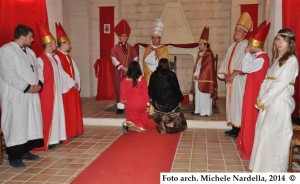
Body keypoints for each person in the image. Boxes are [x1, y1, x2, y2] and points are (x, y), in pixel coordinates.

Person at [249, 28, 298, 172]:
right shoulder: (276, 60)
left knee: (273, 137)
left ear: (290, 43)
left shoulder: (292, 60)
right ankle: (262, 169)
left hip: (279, 102)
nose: (280, 43)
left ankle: (274, 171)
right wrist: (261, 98)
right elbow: (266, 81)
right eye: (278, 39)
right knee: (263, 134)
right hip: (268, 101)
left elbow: (280, 84)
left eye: (284, 40)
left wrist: (264, 100)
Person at [0, 24, 44, 168]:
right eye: (30, 37)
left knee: (29, 122)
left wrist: (38, 84)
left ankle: (25, 150)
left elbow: (37, 70)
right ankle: (14, 156)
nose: (33, 40)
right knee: (16, 123)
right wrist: (27, 87)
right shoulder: (6, 51)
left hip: (31, 94)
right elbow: (8, 74)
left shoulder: (30, 52)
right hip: (16, 94)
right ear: (22, 36)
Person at [237, 21, 271, 160]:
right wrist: (249, 54)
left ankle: (249, 149)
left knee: (251, 121)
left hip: (255, 95)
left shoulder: (262, 59)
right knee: (247, 119)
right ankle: (244, 144)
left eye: (250, 45)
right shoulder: (258, 57)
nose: (248, 46)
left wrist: (246, 54)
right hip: (251, 93)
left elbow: (245, 68)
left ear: (254, 45)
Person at [217, 12, 252, 137]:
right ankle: (233, 126)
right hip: (231, 80)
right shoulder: (232, 46)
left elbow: (245, 62)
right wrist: (226, 74)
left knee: (239, 103)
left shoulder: (247, 45)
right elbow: (226, 61)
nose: (236, 32)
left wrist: (233, 74)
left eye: (239, 30)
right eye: (235, 30)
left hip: (239, 80)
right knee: (231, 103)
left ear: (245, 33)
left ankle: (240, 128)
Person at [36, 24, 67, 150]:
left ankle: (56, 137)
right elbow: (39, 77)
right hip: (47, 93)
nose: (56, 44)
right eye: (54, 43)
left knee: (57, 113)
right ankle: (49, 139)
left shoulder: (54, 58)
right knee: (49, 114)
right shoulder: (40, 59)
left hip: (56, 91)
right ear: (48, 44)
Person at [54, 22, 84, 138]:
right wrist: (72, 83)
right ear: (62, 44)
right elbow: (61, 72)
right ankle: (69, 131)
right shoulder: (57, 56)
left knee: (74, 109)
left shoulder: (68, 56)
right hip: (66, 88)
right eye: (68, 43)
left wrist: (77, 81)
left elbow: (75, 70)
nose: (70, 45)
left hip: (73, 87)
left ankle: (75, 129)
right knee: (68, 110)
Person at [148, 58, 187, 134]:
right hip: (171, 103)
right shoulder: (172, 74)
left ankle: (162, 127)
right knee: (178, 106)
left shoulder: (154, 75)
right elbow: (176, 88)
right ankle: (174, 126)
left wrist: (152, 99)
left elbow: (150, 89)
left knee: (156, 105)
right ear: (167, 65)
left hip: (158, 104)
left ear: (159, 65)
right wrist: (180, 98)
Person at [111, 19, 138, 114]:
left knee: (130, 89)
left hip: (130, 73)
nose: (124, 38)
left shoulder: (131, 48)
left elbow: (135, 58)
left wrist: (130, 68)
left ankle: (130, 106)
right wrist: (123, 67)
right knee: (119, 88)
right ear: (119, 37)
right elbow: (114, 60)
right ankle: (120, 107)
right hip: (119, 72)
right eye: (123, 36)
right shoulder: (114, 48)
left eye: (126, 36)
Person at [191, 26, 217, 116]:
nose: (199, 46)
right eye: (199, 44)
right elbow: (198, 66)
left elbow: (208, 69)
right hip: (198, 78)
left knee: (204, 96)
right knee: (198, 96)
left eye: (201, 44)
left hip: (205, 79)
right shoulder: (201, 54)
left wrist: (200, 76)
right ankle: (197, 110)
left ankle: (205, 112)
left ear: (206, 45)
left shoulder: (209, 54)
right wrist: (195, 74)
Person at [120, 61, 150, 132]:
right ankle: (139, 126)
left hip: (129, 103)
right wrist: (148, 105)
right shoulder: (142, 79)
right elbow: (146, 93)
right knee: (143, 116)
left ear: (129, 68)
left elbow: (122, 94)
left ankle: (128, 125)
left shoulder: (124, 79)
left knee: (130, 114)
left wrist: (124, 101)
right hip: (140, 103)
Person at [143, 18, 169, 84]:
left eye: (156, 38)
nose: (154, 40)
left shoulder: (164, 49)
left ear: (160, 39)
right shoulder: (148, 48)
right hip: (149, 75)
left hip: (160, 75)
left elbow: (165, 64)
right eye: (153, 38)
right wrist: (154, 57)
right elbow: (145, 61)